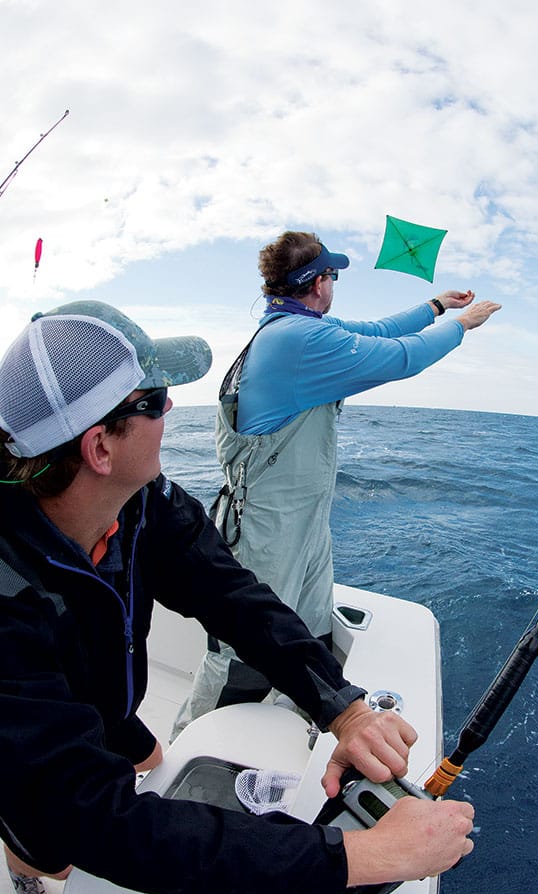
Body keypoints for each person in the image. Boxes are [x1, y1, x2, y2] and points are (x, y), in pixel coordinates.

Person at [0, 300, 475, 894]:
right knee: (53, 842)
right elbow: (99, 823)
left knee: (142, 757)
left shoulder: (145, 505)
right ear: (99, 449)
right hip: (29, 733)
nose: (170, 408)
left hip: (99, 700)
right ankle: (22, 864)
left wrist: (343, 708)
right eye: (153, 399)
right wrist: (359, 857)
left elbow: (233, 596)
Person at [172, 230, 501, 734]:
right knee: (244, 653)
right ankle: (184, 751)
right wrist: (462, 326)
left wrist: (433, 306)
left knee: (310, 634)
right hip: (267, 530)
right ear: (317, 282)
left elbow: (379, 329)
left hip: (302, 526)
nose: (335, 284)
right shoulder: (299, 341)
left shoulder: (297, 328)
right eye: (333, 275)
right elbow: (400, 357)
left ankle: (290, 730)